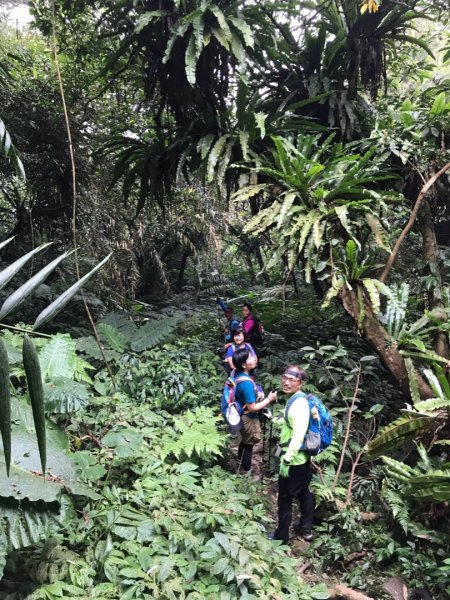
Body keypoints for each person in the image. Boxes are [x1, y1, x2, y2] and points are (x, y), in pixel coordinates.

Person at [272, 365, 314, 544]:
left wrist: (287, 458)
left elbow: (298, 434)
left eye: (292, 380)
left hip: (294, 461)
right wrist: (277, 421)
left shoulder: (299, 405)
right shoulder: (297, 400)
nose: (286, 383)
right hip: (302, 459)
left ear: (301, 383)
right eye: (285, 378)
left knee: (285, 499)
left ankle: (280, 538)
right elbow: (291, 425)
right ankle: (306, 529)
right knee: (304, 492)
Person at [233, 348, 277, 474]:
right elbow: (252, 407)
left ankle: (240, 464)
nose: (254, 359)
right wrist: (269, 398)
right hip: (249, 417)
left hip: (242, 415)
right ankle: (246, 472)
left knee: (245, 440)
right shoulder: (246, 383)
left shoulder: (239, 376)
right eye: (250, 358)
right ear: (243, 364)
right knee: (249, 444)